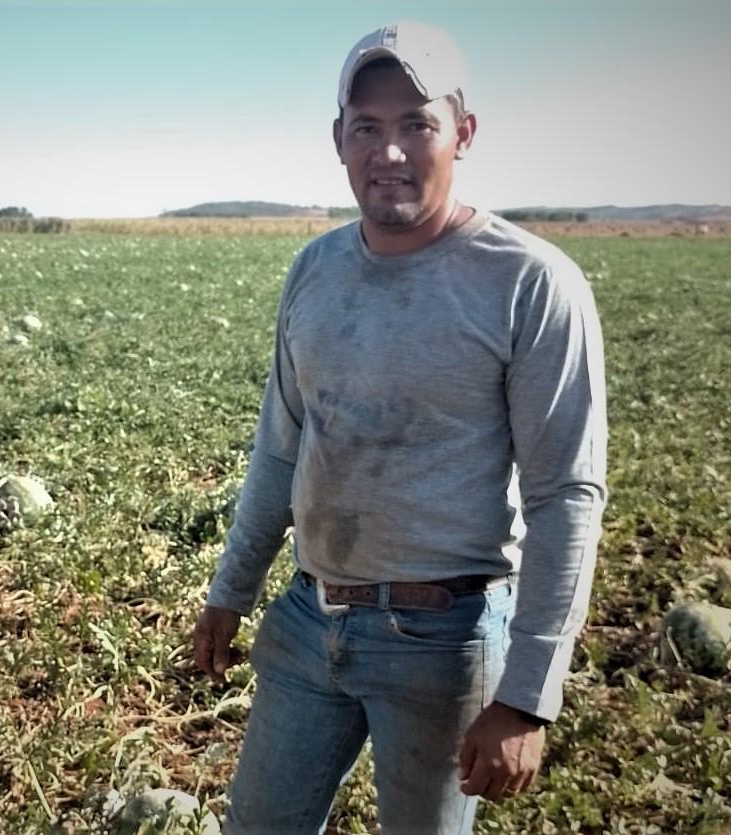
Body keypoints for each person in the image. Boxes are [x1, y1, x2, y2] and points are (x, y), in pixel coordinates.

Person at [191, 20, 607, 835]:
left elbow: (566, 495)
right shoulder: (315, 269)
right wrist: (230, 590)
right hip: (311, 622)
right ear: (339, 142)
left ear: (464, 134)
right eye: (367, 128)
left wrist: (529, 692)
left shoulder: (531, 283)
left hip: (443, 641)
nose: (390, 152)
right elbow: (281, 447)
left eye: (417, 124)